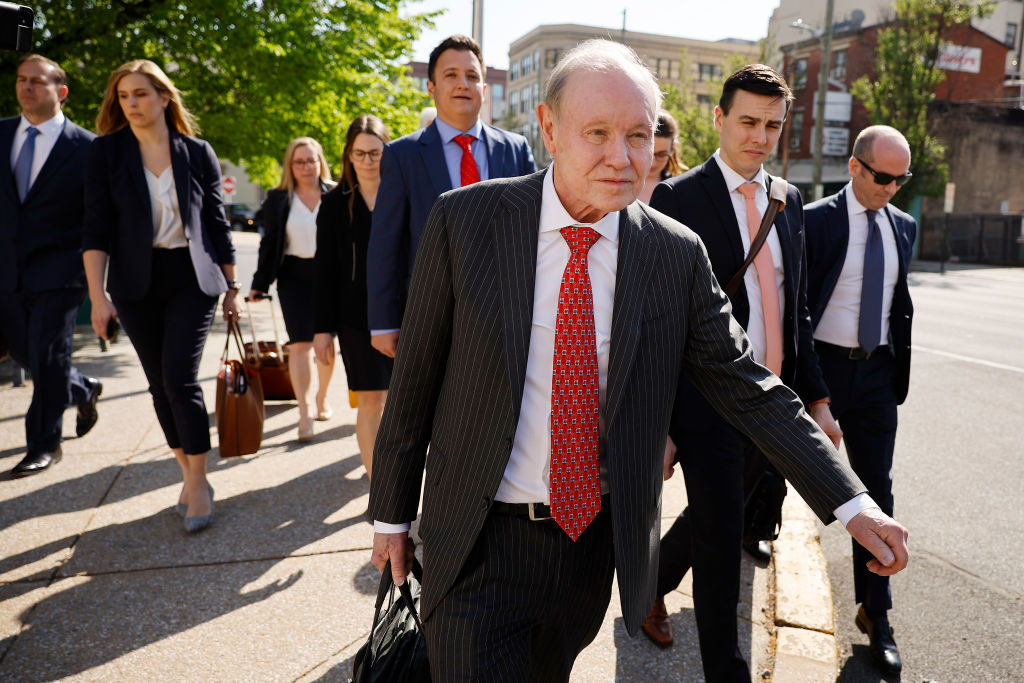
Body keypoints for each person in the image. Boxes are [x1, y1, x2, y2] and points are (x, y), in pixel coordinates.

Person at [367, 39, 908, 682]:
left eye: (639, 135)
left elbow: (748, 385)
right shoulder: (468, 221)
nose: (623, 158)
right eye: (597, 133)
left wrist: (852, 501)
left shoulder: (672, 254)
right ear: (548, 127)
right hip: (477, 539)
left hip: (587, 547)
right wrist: (391, 516)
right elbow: (415, 383)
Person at [642, 64, 841, 680]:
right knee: (723, 539)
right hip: (709, 404)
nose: (759, 135)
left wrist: (817, 399)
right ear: (720, 119)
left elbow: (796, 304)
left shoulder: (790, 199)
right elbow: (662, 323)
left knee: (714, 514)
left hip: (774, 404)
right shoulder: (679, 198)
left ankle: (649, 585)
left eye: (773, 125)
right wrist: (666, 423)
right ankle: (725, 671)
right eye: (748, 121)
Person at [83, 59, 239, 533]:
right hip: (134, 284)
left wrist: (232, 288)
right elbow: (95, 229)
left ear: (164, 98)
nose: (131, 104)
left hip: (191, 278)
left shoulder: (196, 151)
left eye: (141, 94)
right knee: (158, 385)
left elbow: (217, 224)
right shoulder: (106, 154)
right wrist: (97, 298)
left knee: (180, 378)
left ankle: (198, 481)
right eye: (124, 96)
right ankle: (190, 476)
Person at [804, 124, 916, 677]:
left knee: (876, 494)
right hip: (817, 368)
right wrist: (808, 384)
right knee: (757, 471)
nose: (891, 189)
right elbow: (796, 302)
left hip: (874, 376)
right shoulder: (814, 221)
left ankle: (876, 615)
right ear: (855, 167)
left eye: (901, 180)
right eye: (882, 177)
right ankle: (663, 582)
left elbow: (898, 306)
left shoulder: (905, 227)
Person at [366, 34, 536, 359]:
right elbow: (385, 244)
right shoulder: (403, 155)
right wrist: (383, 322)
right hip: (430, 316)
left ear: (484, 90)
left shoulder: (516, 150)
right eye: (451, 75)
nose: (463, 84)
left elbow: (535, 231)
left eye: (472, 76)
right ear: (431, 88)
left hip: (508, 315)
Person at [0, 54, 102, 477]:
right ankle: (82, 387)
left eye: (37, 81)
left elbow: (97, 215)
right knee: (27, 353)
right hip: (6, 267)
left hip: (60, 271)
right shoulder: (1, 133)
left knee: (46, 352)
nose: (26, 87)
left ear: (60, 92)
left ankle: (45, 444)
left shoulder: (87, 147)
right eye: (22, 80)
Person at [313, 116, 392, 479]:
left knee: (399, 403)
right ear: (347, 155)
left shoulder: (401, 193)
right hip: (354, 318)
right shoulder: (333, 204)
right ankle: (380, 490)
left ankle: (402, 482)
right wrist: (322, 329)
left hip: (402, 313)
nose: (367, 161)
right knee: (371, 399)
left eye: (375, 152)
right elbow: (325, 269)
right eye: (359, 153)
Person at [249, 137, 336, 441]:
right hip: (293, 277)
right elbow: (269, 243)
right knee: (300, 345)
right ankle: (304, 411)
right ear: (291, 165)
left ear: (319, 161)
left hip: (329, 277)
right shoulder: (278, 198)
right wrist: (258, 285)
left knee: (325, 345)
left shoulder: (336, 193)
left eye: (310, 160)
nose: (306, 167)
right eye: (299, 161)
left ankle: (322, 397)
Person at [637, 110, 686, 203]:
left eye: (662, 154)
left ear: (672, 149)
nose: (653, 162)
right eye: (649, 153)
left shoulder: (679, 189)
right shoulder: (620, 181)